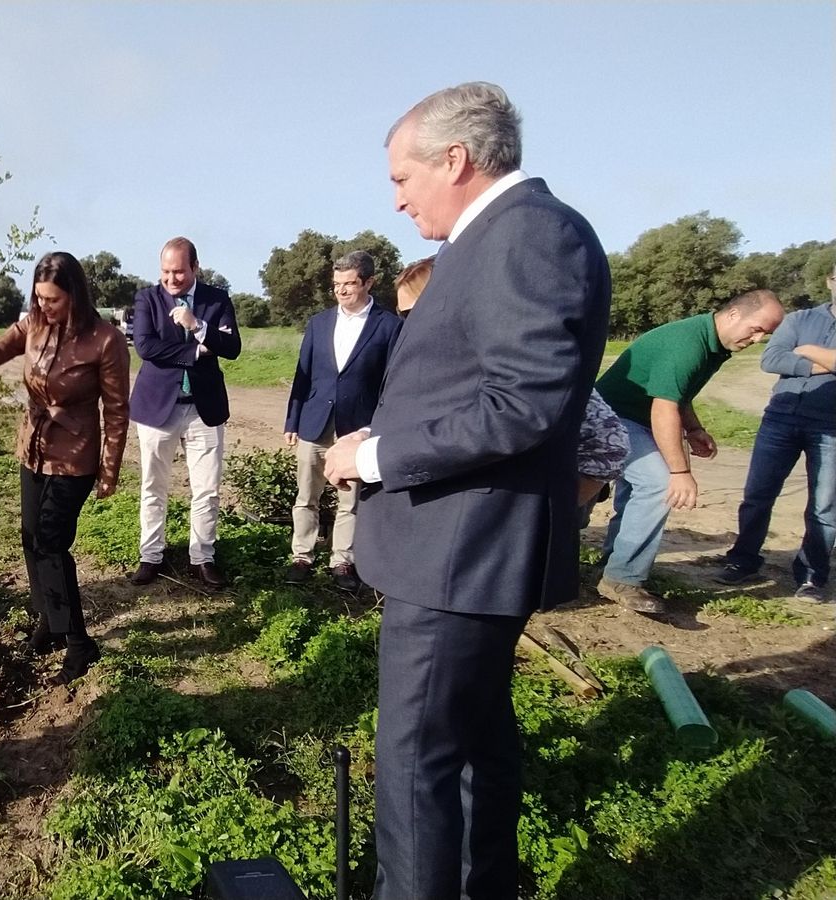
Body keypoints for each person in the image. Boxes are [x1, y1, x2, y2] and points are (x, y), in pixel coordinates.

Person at [323, 82, 610, 899]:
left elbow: (521, 404)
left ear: (456, 159)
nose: (396, 196)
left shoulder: (529, 238)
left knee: (417, 762)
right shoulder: (500, 239)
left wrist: (375, 458)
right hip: (462, 550)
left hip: (459, 556)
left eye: (402, 177)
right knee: (475, 738)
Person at [0, 251, 131, 683]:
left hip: (75, 454)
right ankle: (48, 621)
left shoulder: (105, 340)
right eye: (40, 297)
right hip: (34, 447)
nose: (45, 306)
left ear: (76, 296)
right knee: (30, 538)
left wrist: (109, 469)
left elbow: (117, 410)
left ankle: (80, 645)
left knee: (50, 542)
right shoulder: (33, 325)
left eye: (54, 300)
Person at [595, 290, 785, 613]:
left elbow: (677, 393)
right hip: (610, 418)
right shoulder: (689, 343)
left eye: (766, 334)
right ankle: (621, 578)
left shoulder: (712, 342)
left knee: (639, 488)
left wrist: (694, 429)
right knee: (658, 484)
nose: (758, 339)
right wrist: (680, 472)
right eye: (757, 329)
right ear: (734, 314)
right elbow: (664, 408)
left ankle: (614, 561)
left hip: (633, 418)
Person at [397, 255, 629, 517]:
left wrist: (549, 510)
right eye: (403, 316)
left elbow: (610, 444)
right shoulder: (447, 360)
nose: (408, 328)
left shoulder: (516, 358)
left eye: (415, 314)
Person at [282, 250, 401, 590]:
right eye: (337, 285)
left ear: (369, 282)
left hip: (358, 429)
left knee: (350, 500)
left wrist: (376, 428)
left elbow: (390, 383)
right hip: (314, 423)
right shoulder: (318, 323)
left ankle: (342, 562)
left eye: (349, 284)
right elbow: (302, 377)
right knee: (307, 494)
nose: (342, 291)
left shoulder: (389, 326)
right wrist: (292, 419)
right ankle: (302, 555)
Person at [128, 236, 242, 588]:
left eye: (179, 271)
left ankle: (202, 557)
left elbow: (232, 347)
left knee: (207, 488)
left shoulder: (217, 299)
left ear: (195, 267)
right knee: (153, 486)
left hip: (202, 409)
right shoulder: (148, 298)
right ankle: (151, 555)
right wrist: (196, 352)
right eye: (165, 271)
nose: (171, 279)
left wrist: (198, 326)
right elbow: (146, 347)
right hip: (157, 408)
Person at [716, 265, 836, 599]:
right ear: (829, 281)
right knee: (757, 495)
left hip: (831, 426)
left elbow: (790, 356)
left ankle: (812, 575)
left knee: (824, 507)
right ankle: (742, 560)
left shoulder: (801, 333)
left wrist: (808, 350)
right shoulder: (798, 320)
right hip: (779, 419)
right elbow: (771, 359)